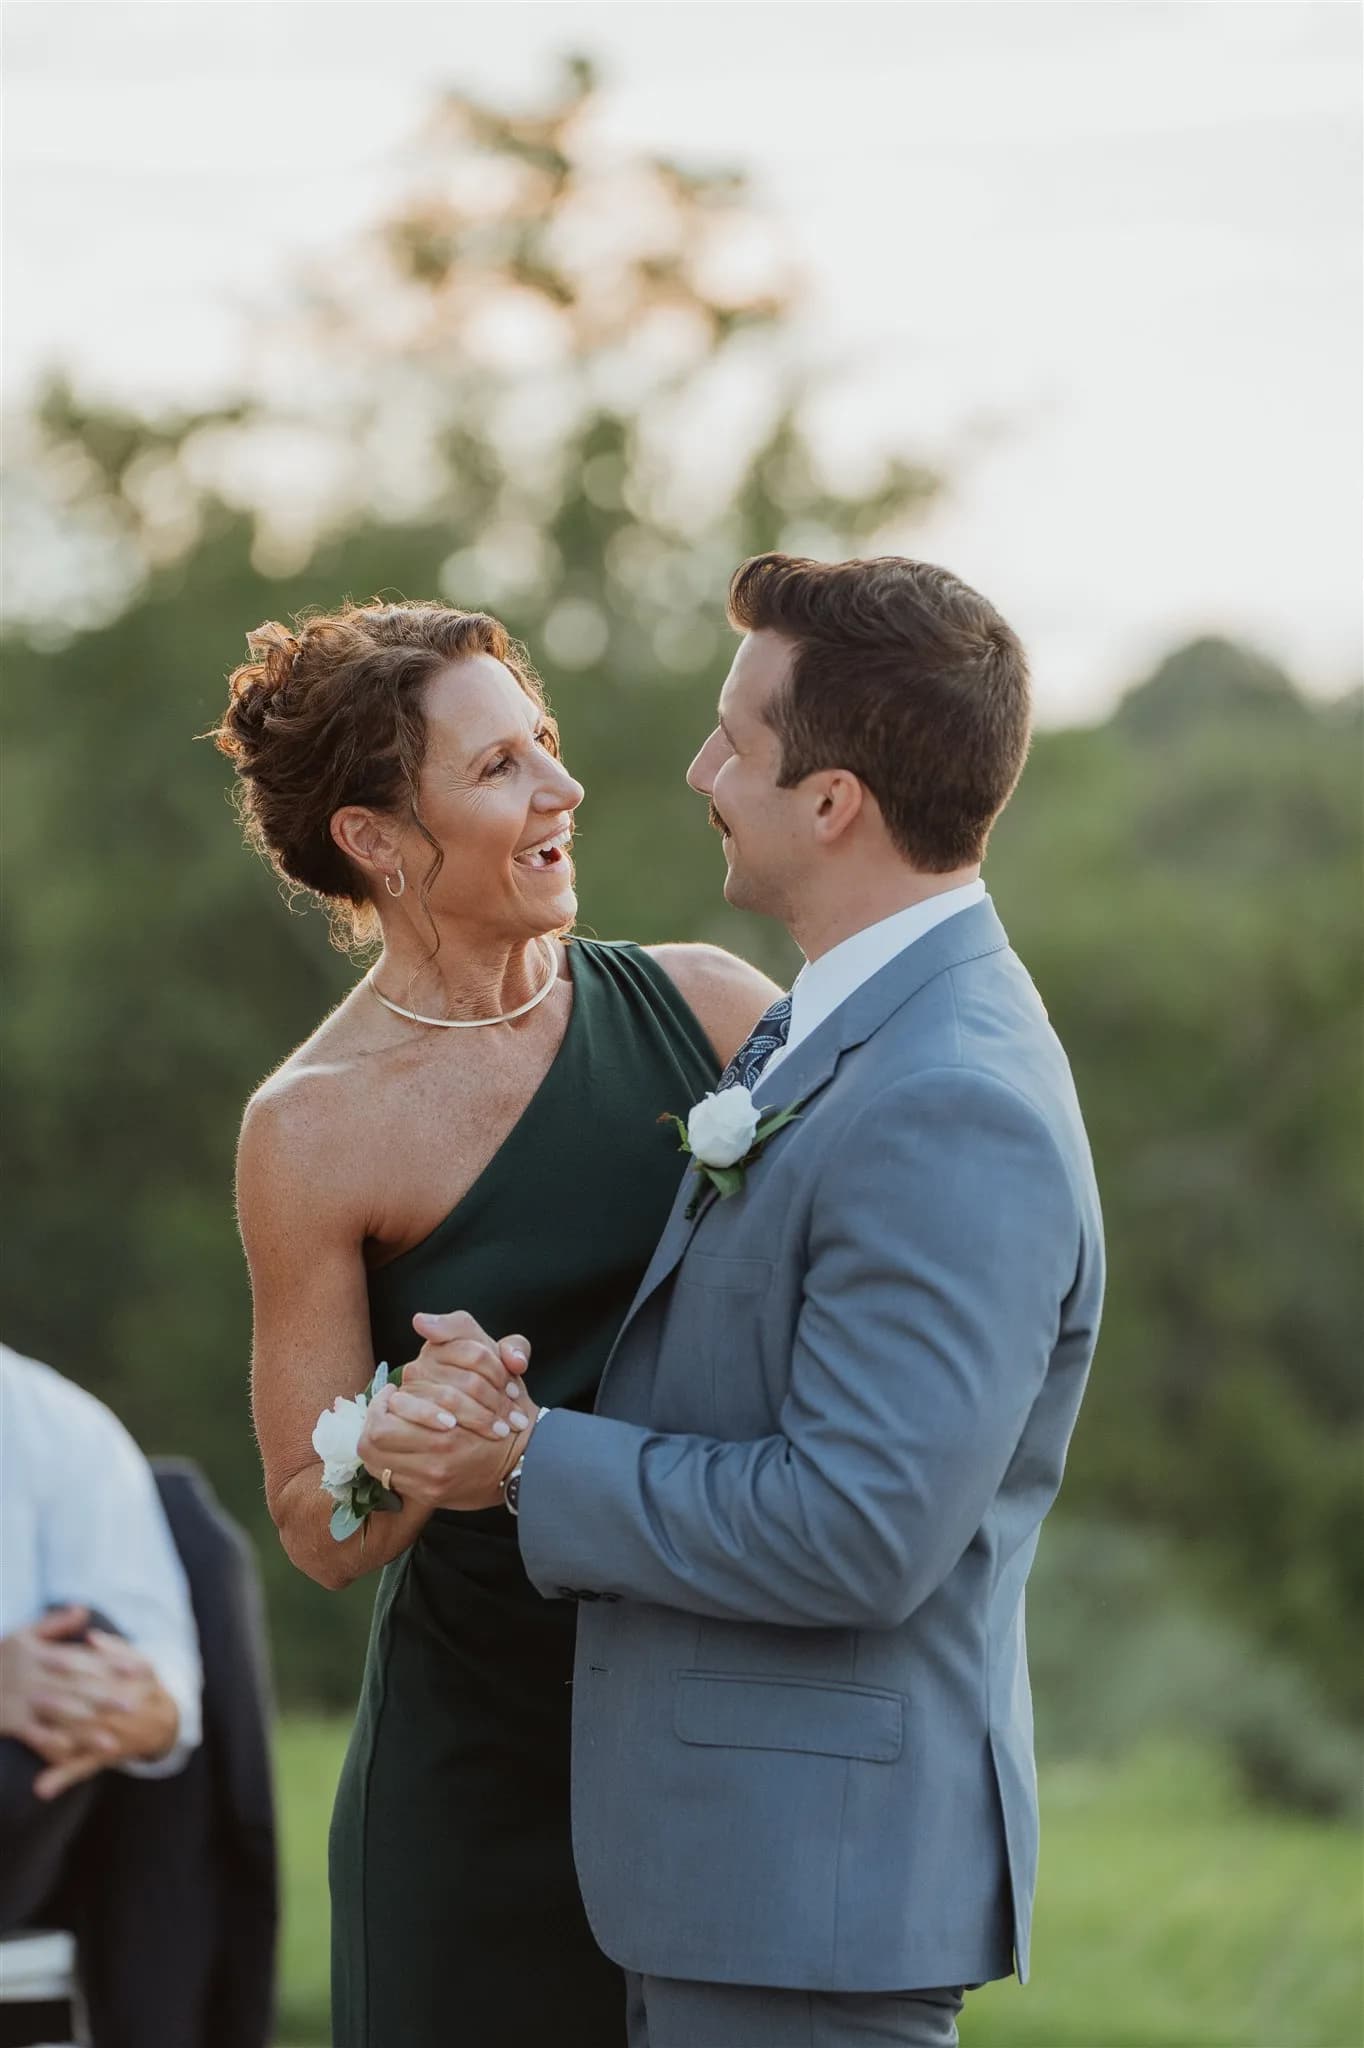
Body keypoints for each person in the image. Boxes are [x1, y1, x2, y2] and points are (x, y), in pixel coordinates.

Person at [366, 554, 1106, 2048]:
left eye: (735, 743)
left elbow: (861, 1530)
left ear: (830, 803)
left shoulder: (951, 1095)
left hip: (807, 1898)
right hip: (732, 1876)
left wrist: (526, 1459)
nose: (700, 770)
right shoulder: (828, 1031)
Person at [215, 601, 776, 2048]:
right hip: (471, 1792)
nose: (562, 790)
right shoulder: (311, 1133)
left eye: (546, 746)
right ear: (379, 843)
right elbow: (316, 1528)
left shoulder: (714, 1011)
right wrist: (405, 1443)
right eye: (498, 769)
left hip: (726, 1738)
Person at [0, 1342, 204, 2035]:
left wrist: (134, 1707)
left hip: (26, 1815)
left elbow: (161, 1670)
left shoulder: (56, 1422)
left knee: (97, 1636)